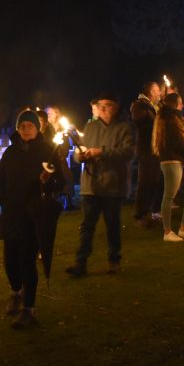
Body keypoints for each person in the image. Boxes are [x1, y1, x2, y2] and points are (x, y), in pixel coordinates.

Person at [0, 109, 63, 328]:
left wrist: (48, 181)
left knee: (26, 261)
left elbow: (59, 183)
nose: (25, 129)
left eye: (29, 126)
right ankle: (16, 292)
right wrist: (3, 200)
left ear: (38, 128)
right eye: (22, 126)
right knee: (10, 260)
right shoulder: (11, 152)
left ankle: (29, 309)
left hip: (33, 216)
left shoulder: (47, 151)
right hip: (12, 213)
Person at [66, 93, 135, 276]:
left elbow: (128, 152)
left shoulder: (124, 128)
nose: (104, 110)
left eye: (109, 106)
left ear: (116, 107)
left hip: (113, 185)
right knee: (87, 225)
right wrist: (79, 156)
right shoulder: (90, 127)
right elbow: (78, 150)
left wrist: (101, 153)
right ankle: (81, 263)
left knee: (112, 225)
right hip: (91, 184)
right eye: (101, 106)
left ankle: (114, 260)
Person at [152, 93, 184, 241]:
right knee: (169, 196)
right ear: (175, 104)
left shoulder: (175, 118)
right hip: (171, 161)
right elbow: (180, 142)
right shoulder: (168, 119)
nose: (182, 105)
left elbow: (183, 123)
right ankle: (167, 232)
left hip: (183, 159)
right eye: (180, 103)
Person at [132, 82, 162, 228]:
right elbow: (141, 122)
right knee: (145, 182)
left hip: (153, 149)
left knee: (153, 181)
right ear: (150, 92)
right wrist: (154, 117)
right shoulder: (140, 105)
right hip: (146, 150)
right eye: (157, 90)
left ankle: (148, 213)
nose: (160, 93)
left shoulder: (153, 106)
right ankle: (140, 215)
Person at [45, 105, 76, 210]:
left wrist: (63, 154)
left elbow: (66, 143)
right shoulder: (47, 128)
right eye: (47, 113)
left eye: (50, 113)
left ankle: (68, 202)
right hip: (50, 159)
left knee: (67, 177)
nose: (47, 115)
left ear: (56, 114)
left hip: (61, 158)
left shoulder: (62, 128)